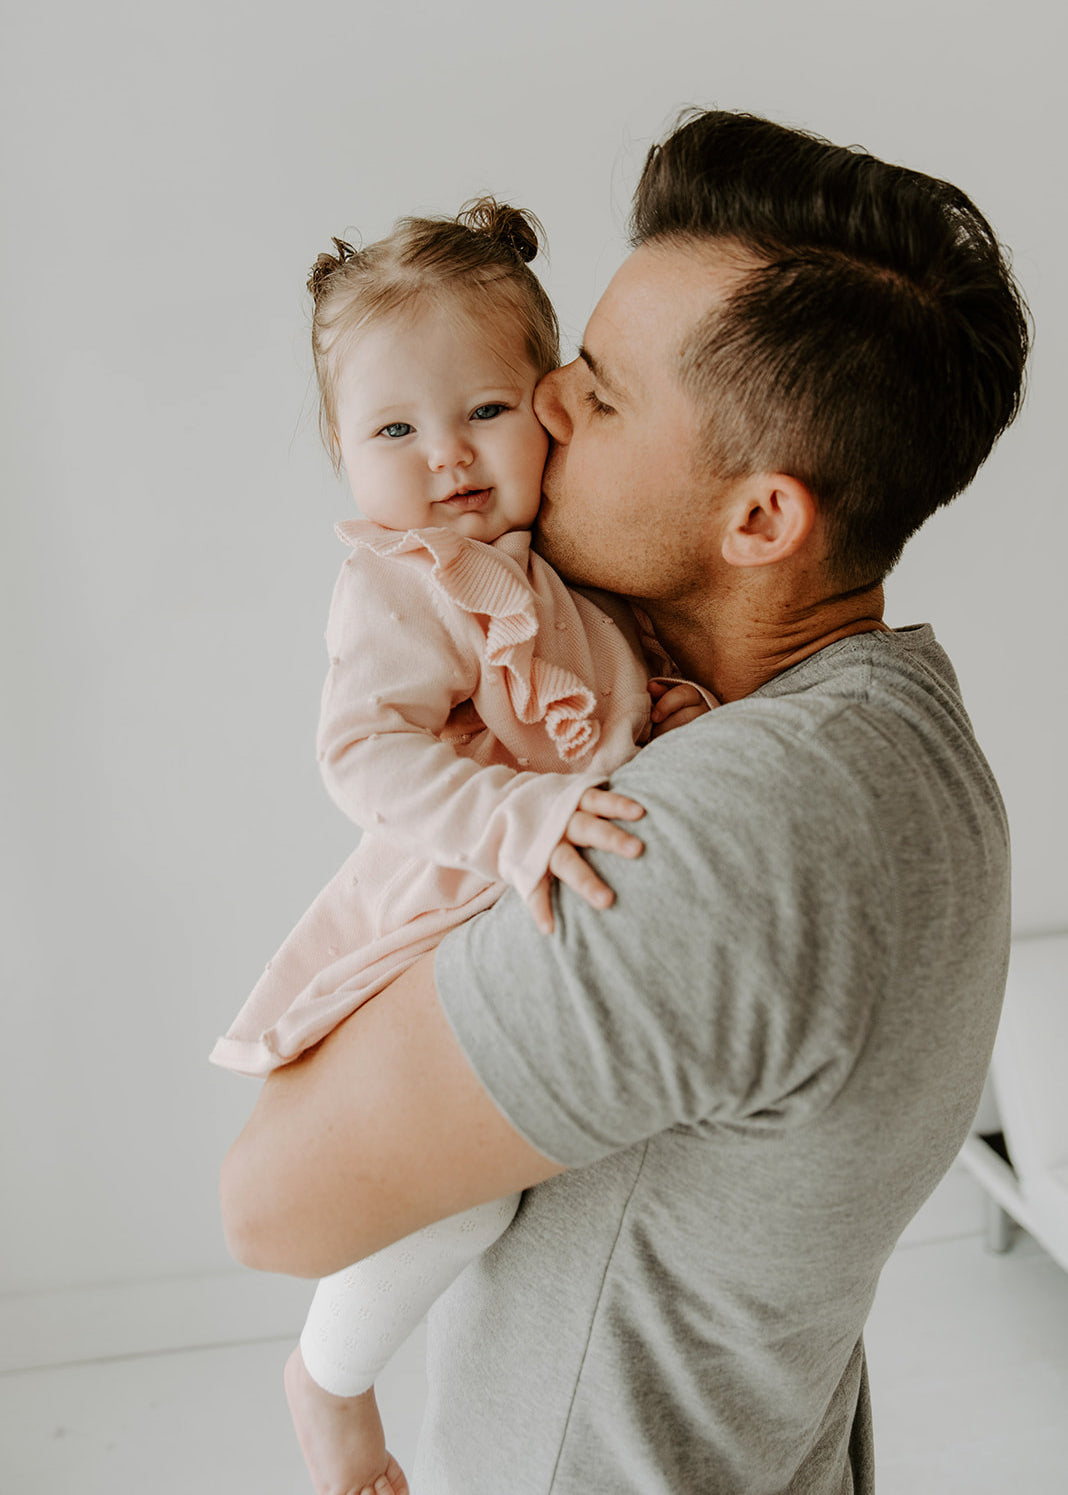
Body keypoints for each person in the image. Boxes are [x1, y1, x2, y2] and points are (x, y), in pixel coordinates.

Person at [219, 109, 1030, 1494]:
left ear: (762, 521)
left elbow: (270, 1206)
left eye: (592, 391)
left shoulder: (712, 842)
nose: (535, 409)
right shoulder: (905, 729)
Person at [211, 198, 708, 1495]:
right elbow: (362, 758)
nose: (446, 457)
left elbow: (615, 693)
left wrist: (678, 718)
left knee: (546, 1197)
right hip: (440, 916)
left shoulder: (565, 565)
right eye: (393, 429)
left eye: (482, 412)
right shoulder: (404, 580)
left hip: (549, 920)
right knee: (465, 1197)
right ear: (339, 449)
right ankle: (328, 1381)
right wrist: (516, 814)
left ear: (548, 408)